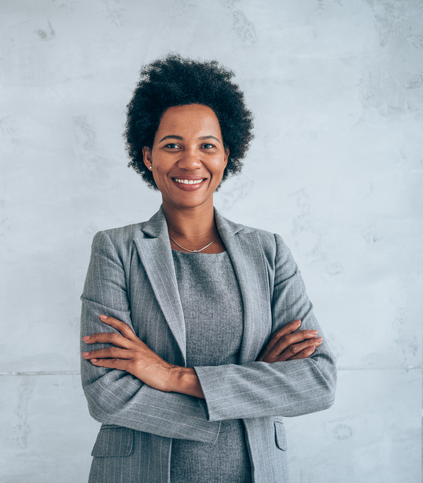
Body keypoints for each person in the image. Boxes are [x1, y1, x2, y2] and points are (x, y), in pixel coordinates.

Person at [79, 54, 336, 483]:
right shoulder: (116, 250)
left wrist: (170, 376)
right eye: (172, 145)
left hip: (252, 470)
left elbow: (316, 380)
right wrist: (252, 384)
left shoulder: (269, 252)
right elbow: (107, 393)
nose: (190, 161)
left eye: (207, 145)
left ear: (226, 155)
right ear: (148, 156)